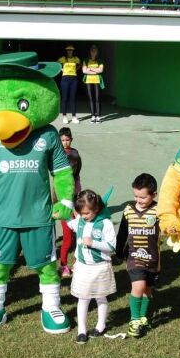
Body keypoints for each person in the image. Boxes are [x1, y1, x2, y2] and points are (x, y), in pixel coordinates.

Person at [67, 189, 116, 344]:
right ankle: (82, 330)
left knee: (101, 297)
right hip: (83, 267)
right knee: (83, 298)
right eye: (81, 213)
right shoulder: (80, 220)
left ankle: (100, 325)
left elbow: (112, 246)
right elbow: (69, 222)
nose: (83, 217)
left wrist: (93, 243)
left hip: (100, 267)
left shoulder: (105, 224)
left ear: (96, 209)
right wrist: (62, 208)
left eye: (87, 213)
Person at [116, 173, 160, 339]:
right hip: (134, 257)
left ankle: (142, 317)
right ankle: (134, 320)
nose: (138, 200)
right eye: (135, 196)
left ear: (153, 195)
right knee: (138, 286)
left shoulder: (159, 211)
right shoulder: (128, 210)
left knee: (147, 290)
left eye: (142, 197)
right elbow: (122, 233)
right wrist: (119, 252)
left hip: (153, 259)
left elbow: (171, 227)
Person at [57, 127, 81, 279]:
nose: (65, 143)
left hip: (75, 198)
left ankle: (78, 263)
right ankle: (63, 265)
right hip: (62, 202)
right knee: (67, 236)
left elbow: (78, 174)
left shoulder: (75, 154)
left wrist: (78, 196)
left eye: (67, 140)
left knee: (79, 233)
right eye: (62, 140)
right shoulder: (56, 156)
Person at [57, 44, 80, 124]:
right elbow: (56, 64)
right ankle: (64, 116)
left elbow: (80, 65)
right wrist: (61, 69)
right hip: (65, 78)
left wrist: (76, 69)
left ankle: (74, 117)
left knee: (73, 98)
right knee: (64, 98)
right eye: (68, 50)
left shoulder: (76, 59)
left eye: (71, 50)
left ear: (73, 51)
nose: (70, 51)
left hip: (74, 78)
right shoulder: (63, 58)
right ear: (66, 51)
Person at [82, 44, 104, 123]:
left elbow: (101, 70)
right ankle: (92, 116)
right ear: (90, 51)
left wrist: (90, 69)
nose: (93, 52)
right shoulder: (86, 60)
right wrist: (95, 70)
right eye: (92, 50)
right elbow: (84, 71)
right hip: (88, 81)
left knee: (97, 98)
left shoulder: (100, 60)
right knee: (91, 99)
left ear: (97, 52)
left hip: (97, 81)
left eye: (95, 50)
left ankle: (98, 116)